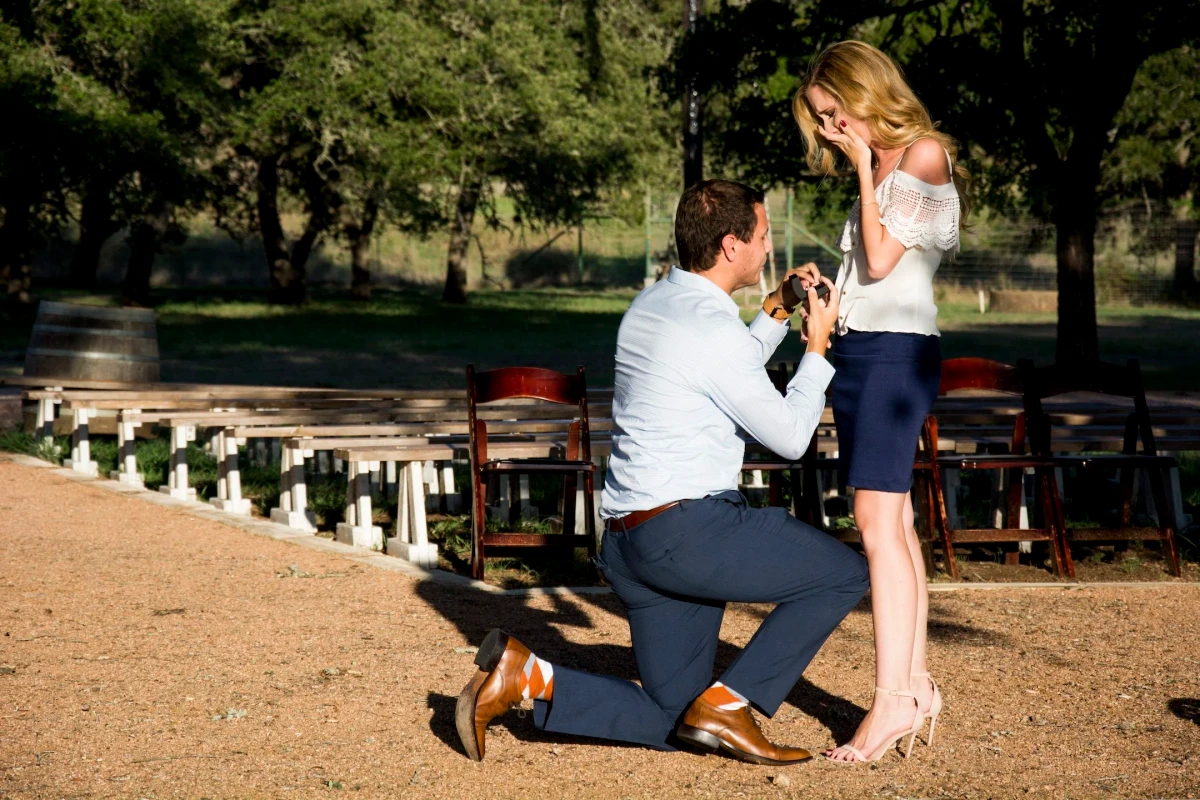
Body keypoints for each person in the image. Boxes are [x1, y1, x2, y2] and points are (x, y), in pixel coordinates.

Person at [456, 179, 869, 766]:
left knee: (681, 720)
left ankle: (528, 677)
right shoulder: (712, 328)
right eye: (763, 235)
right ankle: (737, 701)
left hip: (630, 542)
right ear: (731, 246)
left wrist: (777, 308)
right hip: (688, 535)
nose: (768, 247)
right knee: (842, 575)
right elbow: (790, 439)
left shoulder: (652, 305)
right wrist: (818, 349)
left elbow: (722, 370)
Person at [790, 39, 969, 763]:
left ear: (864, 94)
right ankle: (915, 683)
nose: (832, 130)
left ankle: (890, 700)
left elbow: (886, 258)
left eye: (835, 113)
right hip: (860, 350)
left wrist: (866, 166)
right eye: (822, 120)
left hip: (898, 356)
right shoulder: (883, 167)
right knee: (893, 521)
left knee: (872, 523)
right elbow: (865, 273)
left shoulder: (920, 155)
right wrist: (826, 296)